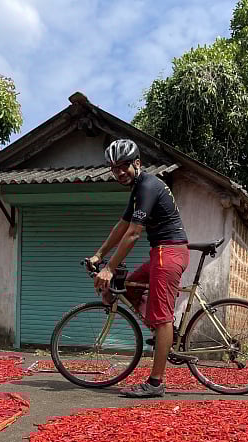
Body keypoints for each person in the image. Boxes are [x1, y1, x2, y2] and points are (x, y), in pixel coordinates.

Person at [89, 139, 189, 398]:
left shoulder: (148, 186)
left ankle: (155, 383)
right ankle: (162, 333)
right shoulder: (137, 189)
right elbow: (121, 226)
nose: (119, 172)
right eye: (114, 168)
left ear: (137, 163)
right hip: (160, 253)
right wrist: (99, 255)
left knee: (162, 318)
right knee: (129, 289)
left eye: (124, 166)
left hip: (168, 253)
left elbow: (133, 234)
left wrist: (109, 268)